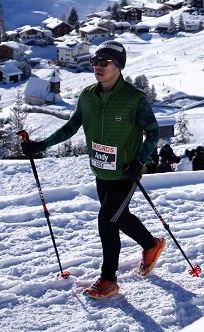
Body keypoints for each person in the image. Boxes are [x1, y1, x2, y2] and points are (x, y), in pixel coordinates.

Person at [20, 40, 166, 301]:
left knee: (107, 221)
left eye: (104, 62)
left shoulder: (134, 99)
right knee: (119, 217)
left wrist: (141, 161)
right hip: (101, 171)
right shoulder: (88, 95)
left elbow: (153, 132)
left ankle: (108, 280)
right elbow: (71, 126)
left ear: (118, 67)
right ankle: (151, 244)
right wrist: (41, 145)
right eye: (94, 62)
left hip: (125, 172)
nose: (97, 66)